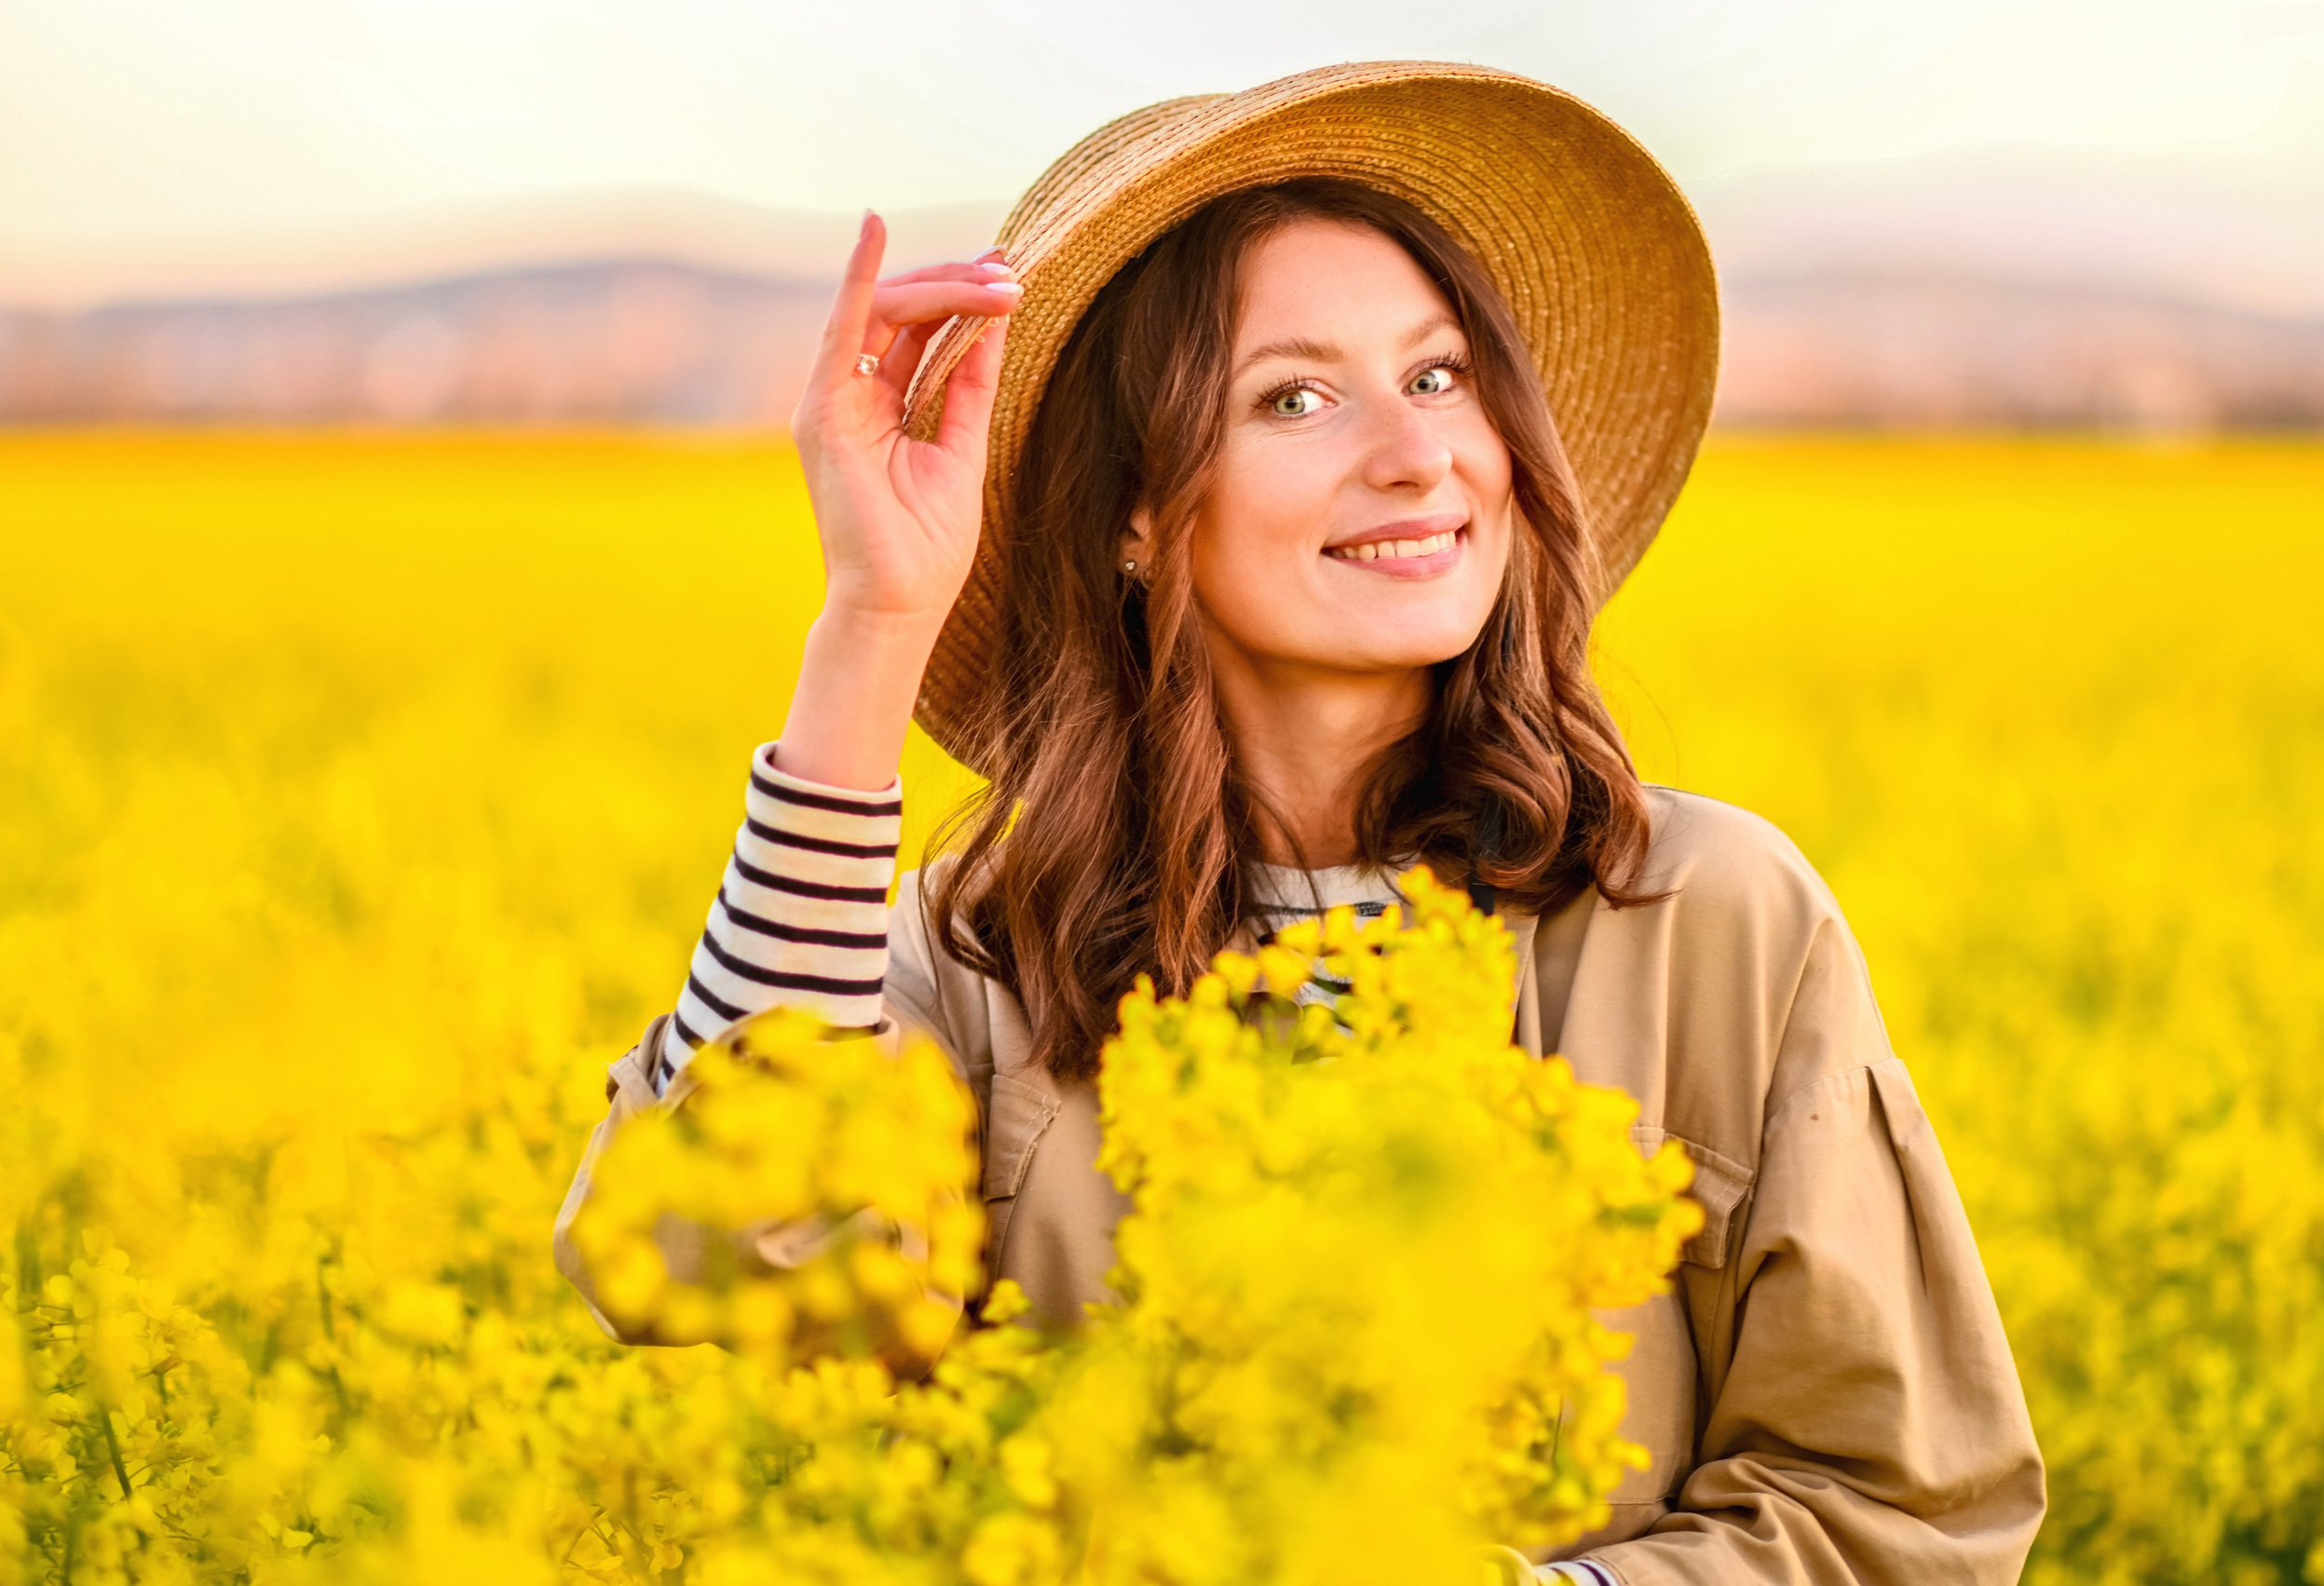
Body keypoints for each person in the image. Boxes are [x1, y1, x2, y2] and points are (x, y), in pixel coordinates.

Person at [556, 62, 2045, 1584]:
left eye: (1441, 375)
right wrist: (872, 625)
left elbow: (1901, 1514)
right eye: (1295, 396)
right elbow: (701, 1266)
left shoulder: (1712, 922)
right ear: (1133, 513)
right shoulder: (981, 969)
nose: (1416, 456)